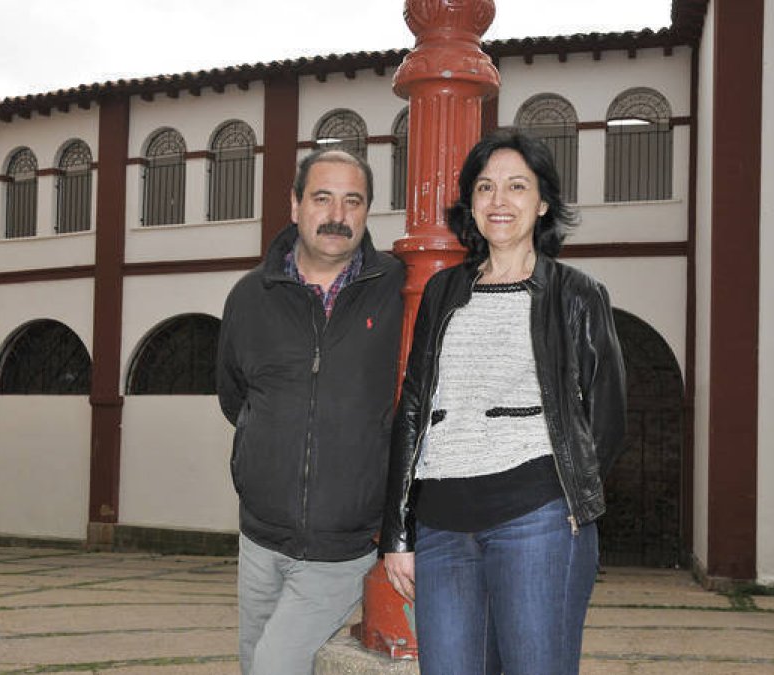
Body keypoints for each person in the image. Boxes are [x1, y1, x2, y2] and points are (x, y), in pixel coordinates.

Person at [380, 131, 627, 674]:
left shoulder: (576, 294)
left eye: (517, 186)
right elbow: (415, 407)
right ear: (470, 202)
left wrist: (567, 501)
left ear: (542, 203)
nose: (499, 201)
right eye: (485, 187)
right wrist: (397, 533)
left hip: (536, 520)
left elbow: (606, 418)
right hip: (443, 524)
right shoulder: (443, 292)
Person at [217, 149, 405, 675]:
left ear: (369, 212)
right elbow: (236, 397)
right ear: (295, 204)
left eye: (353, 201)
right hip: (260, 537)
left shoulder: (399, 290)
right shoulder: (250, 296)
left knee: (274, 667)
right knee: (254, 661)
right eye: (322, 198)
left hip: (342, 545)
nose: (337, 216)